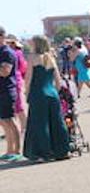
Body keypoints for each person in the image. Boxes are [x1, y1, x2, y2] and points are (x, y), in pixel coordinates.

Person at [21, 35, 70, 162]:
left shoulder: (32, 57)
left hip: (38, 93)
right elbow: (58, 81)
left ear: (36, 44)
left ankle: (43, 153)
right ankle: (62, 150)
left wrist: (26, 92)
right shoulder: (51, 57)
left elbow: (28, 78)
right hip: (52, 93)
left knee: (40, 123)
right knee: (57, 122)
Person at [0, 28, 20, 160]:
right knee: (4, 121)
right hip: (2, 91)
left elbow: (5, 72)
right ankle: (9, 150)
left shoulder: (7, 52)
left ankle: (16, 151)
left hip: (7, 90)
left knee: (10, 120)